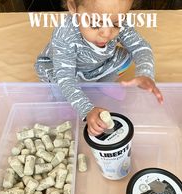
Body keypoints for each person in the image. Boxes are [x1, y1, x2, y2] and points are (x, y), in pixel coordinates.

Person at [35, 0, 163, 136]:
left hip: (95, 67)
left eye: (116, 23)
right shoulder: (65, 34)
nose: (107, 34)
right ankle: (64, 100)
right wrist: (87, 110)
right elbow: (65, 78)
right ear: (73, 7)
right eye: (95, 24)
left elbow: (140, 47)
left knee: (125, 57)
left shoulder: (114, 16)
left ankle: (102, 83)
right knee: (59, 82)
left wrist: (145, 72)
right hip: (62, 70)